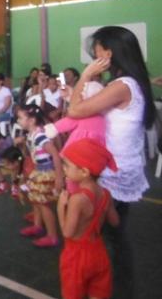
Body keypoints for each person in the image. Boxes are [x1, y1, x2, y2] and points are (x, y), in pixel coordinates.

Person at [65, 26, 156, 297]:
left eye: (97, 50)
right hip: (122, 169)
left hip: (112, 174)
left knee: (105, 239)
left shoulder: (121, 85)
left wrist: (85, 76)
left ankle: (109, 288)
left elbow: (75, 109)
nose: (93, 55)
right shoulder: (133, 82)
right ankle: (114, 287)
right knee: (114, 236)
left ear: (109, 52)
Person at [58, 139, 120, 299]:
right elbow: (115, 221)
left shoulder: (77, 199)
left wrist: (60, 208)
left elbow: (67, 232)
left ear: (84, 172)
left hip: (76, 257)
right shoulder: (106, 193)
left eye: (67, 166)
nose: (64, 169)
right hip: (99, 252)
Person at [17, 104, 63, 248]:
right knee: (36, 199)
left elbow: (55, 154)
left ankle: (52, 236)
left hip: (46, 172)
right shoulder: (32, 134)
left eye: (20, 118)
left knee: (43, 203)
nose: (18, 121)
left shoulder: (39, 136)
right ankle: (38, 225)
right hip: (39, 170)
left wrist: (59, 177)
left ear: (31, 120)